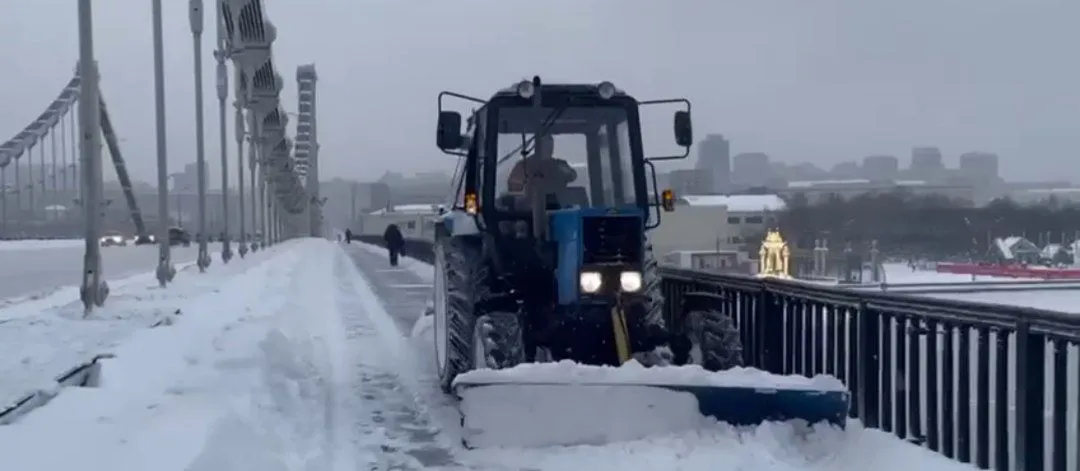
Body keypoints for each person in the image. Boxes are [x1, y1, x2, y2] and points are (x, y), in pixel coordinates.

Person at [506, 134, 577, 197]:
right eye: (546, 145)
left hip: (559, 208)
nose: (550, 148)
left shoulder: (559, 164)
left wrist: (567, 172)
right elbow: (514, 189)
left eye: (551, 145)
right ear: (538, 145)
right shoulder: (524, 166)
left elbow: (573, 176)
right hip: (531, 209)